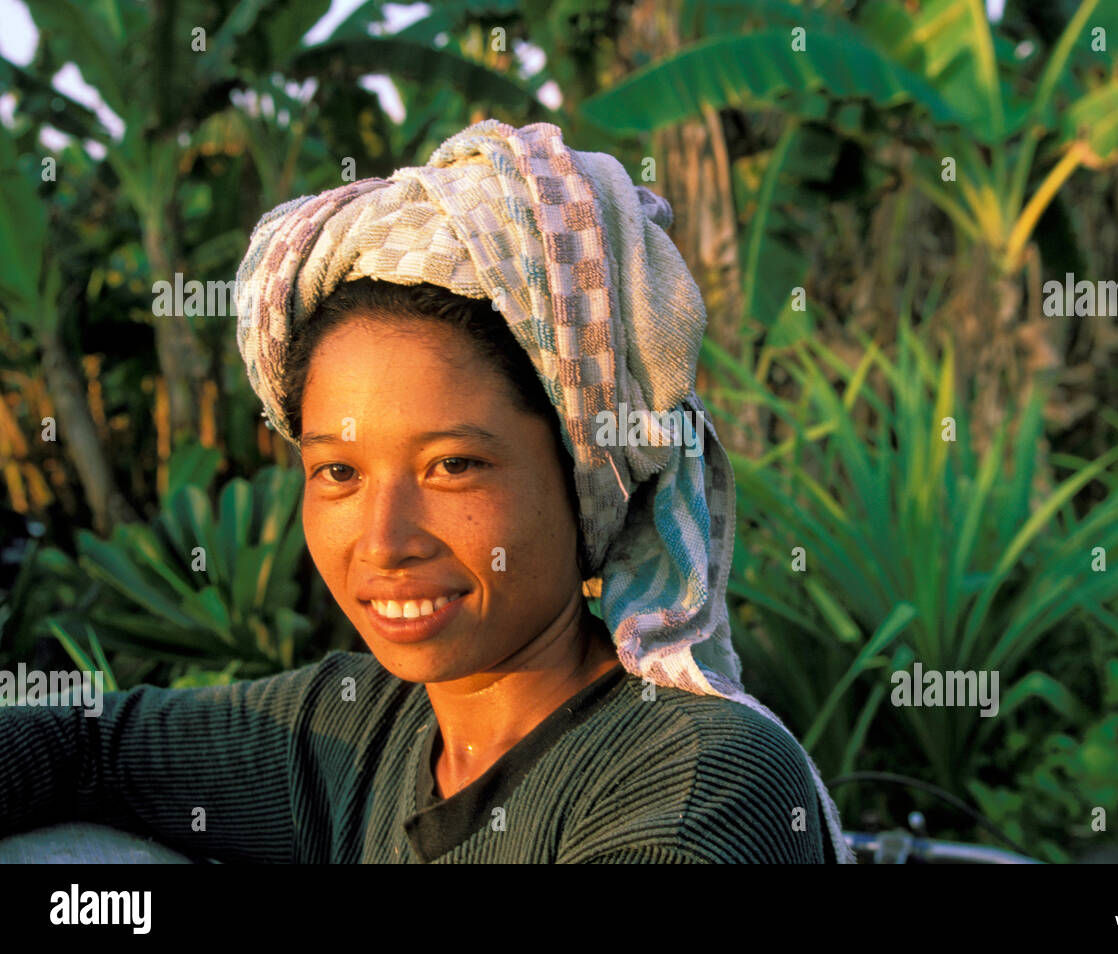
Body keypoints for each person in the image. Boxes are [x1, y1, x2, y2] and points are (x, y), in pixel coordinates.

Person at [0, 119, 854, 863]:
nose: (382, 541)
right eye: (338, 471)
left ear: (582, 470)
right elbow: (86, 745)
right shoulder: (357, 731)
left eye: (453, 466)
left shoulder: (702, 777)